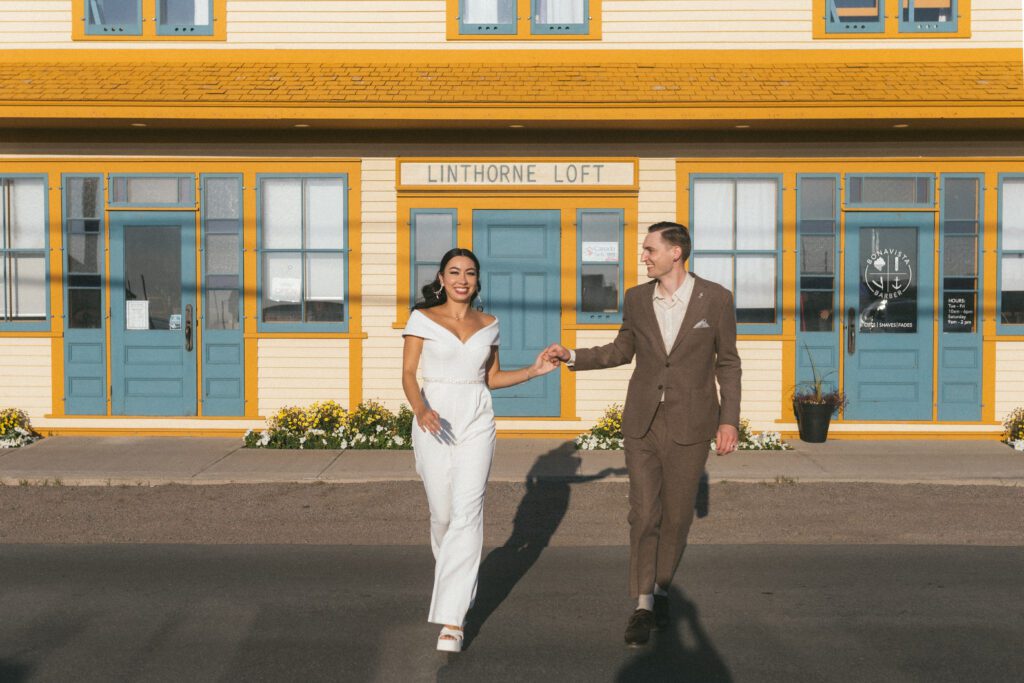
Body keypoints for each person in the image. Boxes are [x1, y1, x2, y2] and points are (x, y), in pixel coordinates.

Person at [544, 221, 742, 647]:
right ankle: (642, 605)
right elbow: (621, 350)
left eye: (650, 249)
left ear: (676, 253)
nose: (644, 256)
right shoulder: (636, 299)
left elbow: (728, 362)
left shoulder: (717, 299)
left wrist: (729, 420)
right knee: (643, 513)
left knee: (677, 515)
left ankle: (663, 589)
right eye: (644, 250)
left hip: (691, 422)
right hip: (642, 422)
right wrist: (572, 355)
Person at [401, 247, 559, 653]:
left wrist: (533, 371)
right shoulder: (421, 319)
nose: (462, 279)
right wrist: (421, 409)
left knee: (469, 512)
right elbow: (407, 373)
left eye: (470, 273)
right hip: (434, 417)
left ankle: (453, 620)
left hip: (476, 419)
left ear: (476, 280)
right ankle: (452, 576)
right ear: (440, 278)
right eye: (454, 272)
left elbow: (491, 378)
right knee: (444, 514)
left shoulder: (490, 324)